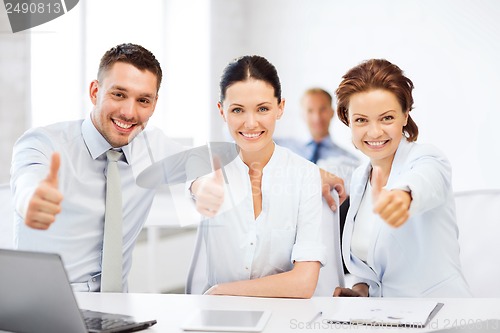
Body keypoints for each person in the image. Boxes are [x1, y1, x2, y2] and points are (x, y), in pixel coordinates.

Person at [10, 43, 184, 292]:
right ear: (95, 91)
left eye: (143, 100)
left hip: (118, 309)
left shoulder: (152, 145)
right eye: (119, 94)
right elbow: (27, 180)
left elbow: (201, 168)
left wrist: (203, 186)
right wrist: (32, 200)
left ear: (154, 104)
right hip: (48, 299)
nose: (129, 112)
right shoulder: (43, 142)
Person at [189, 55, 326, 298]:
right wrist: (199, 187)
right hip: (218, 319)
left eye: (263, 109)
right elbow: (193, 183)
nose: (251, 123)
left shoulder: (304, 175)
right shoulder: (207, 168)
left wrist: (223, 292)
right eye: (238, 110)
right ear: (222, 111)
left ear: (280, 108)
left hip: (281, 318)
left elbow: (304, 282)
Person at [332, 59, 471, 297]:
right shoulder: (358, 179)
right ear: (348, 120)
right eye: (361, 120)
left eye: (386, 118)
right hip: (387, 319)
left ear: (405, 115)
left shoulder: (427, 158)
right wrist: (361, 289)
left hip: (441, 316)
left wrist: (404, 195)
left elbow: (426, 181)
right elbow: (373, 266)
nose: (374, 132)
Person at [275, 88, 360, 192]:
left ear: (332, 112)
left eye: (322, 109)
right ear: (302, 115)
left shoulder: (349, 161)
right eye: (310, 111)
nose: (317, 118)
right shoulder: (280, 147)